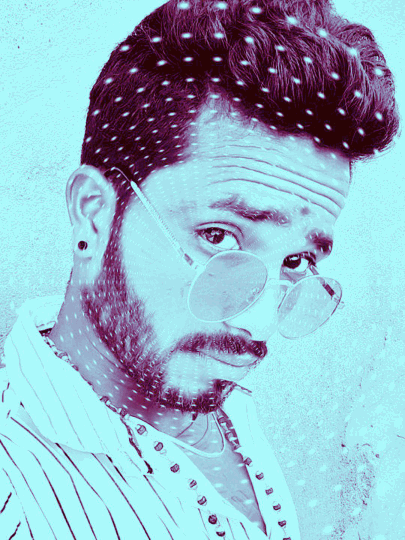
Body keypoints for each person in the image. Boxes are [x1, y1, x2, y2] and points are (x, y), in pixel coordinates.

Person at [0, 0, 399, 538]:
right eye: (218, 237)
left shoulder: (222, 406)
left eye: (296, 261)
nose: (257, 327)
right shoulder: (15, 492)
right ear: (94, 214)